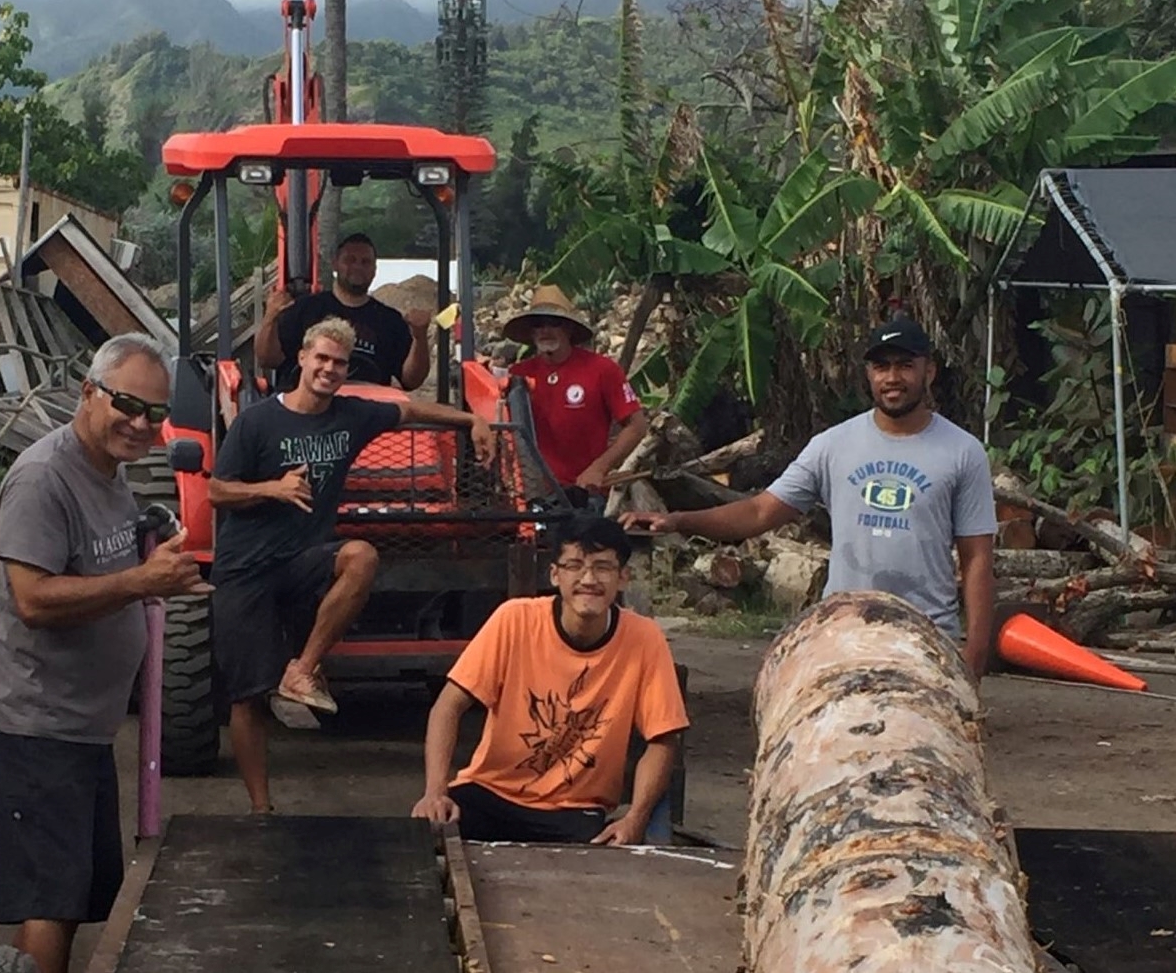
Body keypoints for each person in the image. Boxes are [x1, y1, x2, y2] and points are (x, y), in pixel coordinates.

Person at [0, 334, 207, 973]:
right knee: (51, 898)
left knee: (74, 894)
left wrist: (147, 544)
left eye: (154, 414)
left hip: (83, 723)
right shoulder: (44, 478)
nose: (140, 424)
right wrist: (142, 582)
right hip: (39, 721)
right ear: (88, 391)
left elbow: (100, 553)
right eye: (127, 404)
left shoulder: (108, 469)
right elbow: (33, 599)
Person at [210, 316, 495, 813]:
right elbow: (216, 489)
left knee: (361, 555)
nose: (329, 369)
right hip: (246, 568)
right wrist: (270, 489)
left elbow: (408, 410)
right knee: (246, 697)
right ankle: (261, 809)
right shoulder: (257, 421)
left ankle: (303, 669)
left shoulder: (351, 416)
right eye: (321, 358)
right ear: (301, 358)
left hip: (304, 560)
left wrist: (471, 419)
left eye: (339, 363)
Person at [623, 317, 997, 676]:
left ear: (928, 372)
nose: (893, 378)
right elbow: (758, 512)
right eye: (881, 367)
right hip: (844, 629)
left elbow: (977, 556)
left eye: (905, 366)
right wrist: (678, 520)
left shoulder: (962, 452)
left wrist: (975, 655)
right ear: (869, 374)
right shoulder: (833, 446)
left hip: (927, 636)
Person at [411, 514, 689, 845]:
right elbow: (448, 705)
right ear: (555, 574)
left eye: (602, 567)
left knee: (596, 868)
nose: (589, 579)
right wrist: (434, 792)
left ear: (623, 578)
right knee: (426, 836)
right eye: (575, 566)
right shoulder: (514, 619)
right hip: (490, 791)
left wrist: (635, 817)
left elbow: (663, 739)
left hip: (575, 809)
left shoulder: (644, 637)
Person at [503, 285, 649, 505]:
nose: (545, 330)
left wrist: (598, 468)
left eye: (554, 323)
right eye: (538, 324)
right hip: (532, 495)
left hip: (585, 493)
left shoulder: (602, 369)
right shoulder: (517, 375)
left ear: (569, 329)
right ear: (531, 332)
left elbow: (636, 426)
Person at [254, 232, 432, 391]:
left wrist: (420, 336)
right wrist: (271, 316)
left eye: (365, 262)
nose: (357, 266)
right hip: (306, 411)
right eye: (350, 260)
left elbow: (411, 381)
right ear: (335, 264)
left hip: (370, 412)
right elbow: (267, 360)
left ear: (374, 270)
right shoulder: (303, 310)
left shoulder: (390, 321)